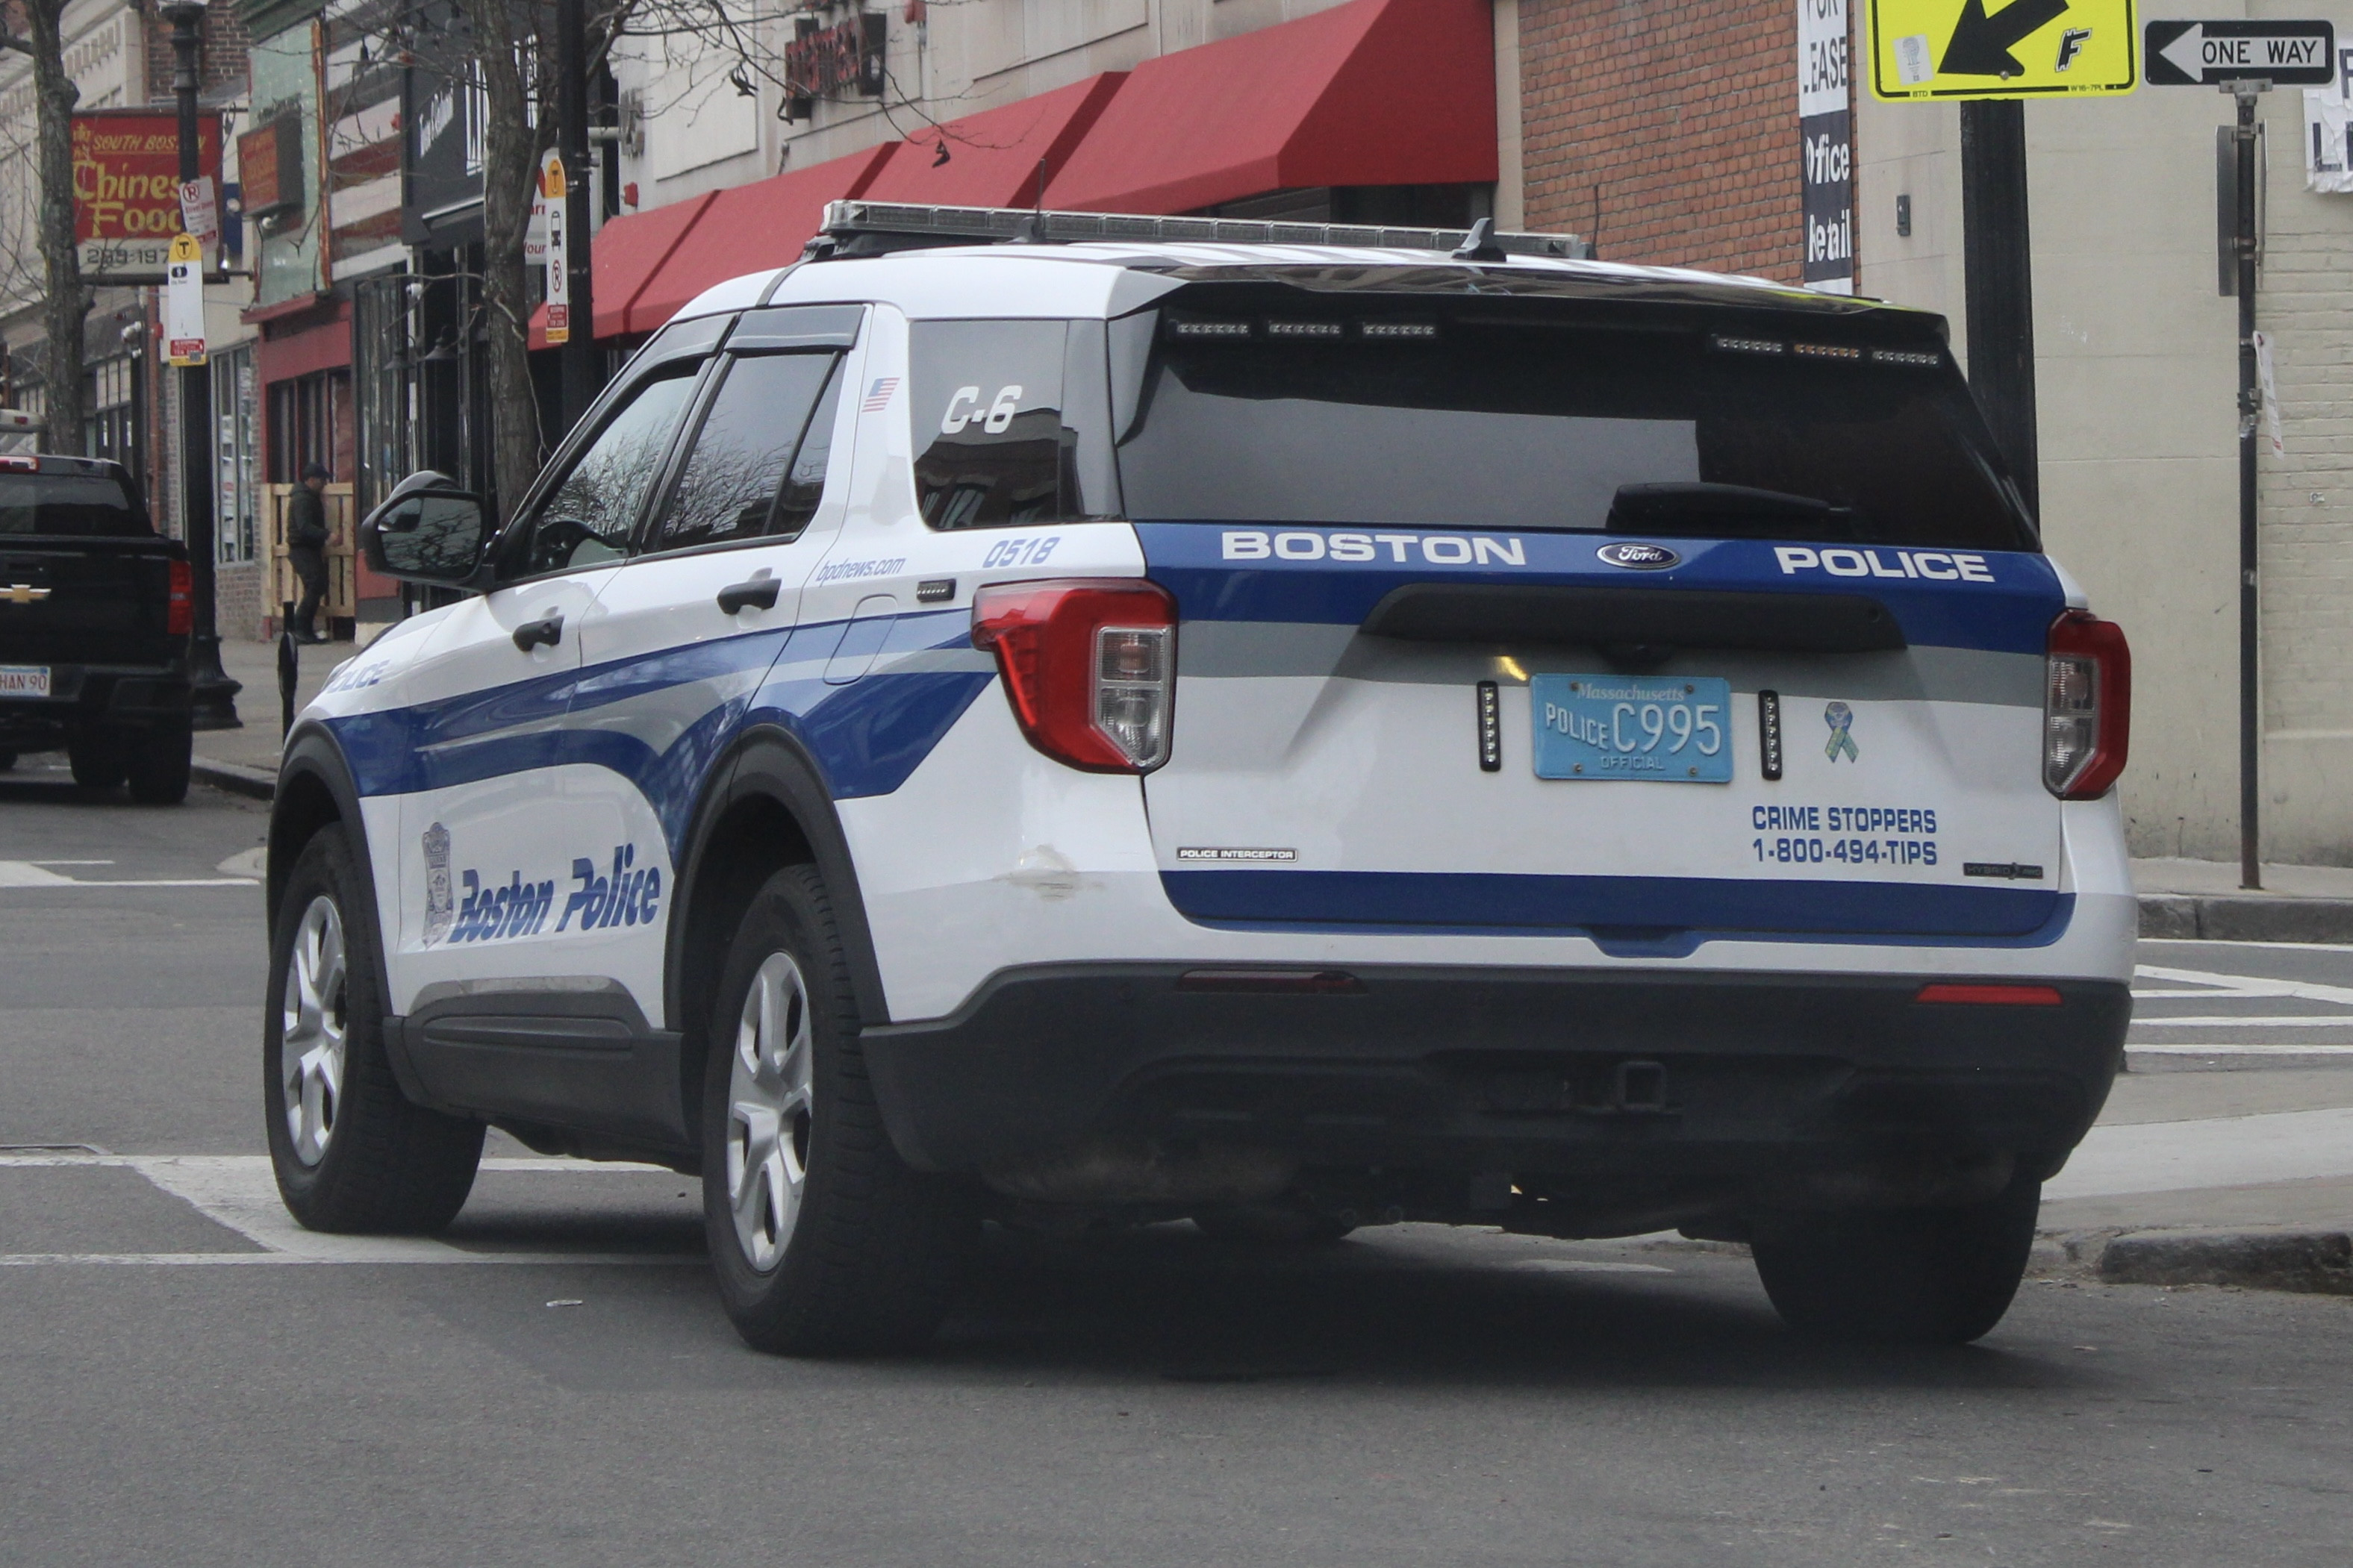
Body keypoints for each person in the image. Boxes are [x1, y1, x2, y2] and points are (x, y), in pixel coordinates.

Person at [286, 463, 331, 643]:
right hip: (302, 549)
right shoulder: (303, 499)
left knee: (316, 586)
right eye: (322, 480)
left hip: (307, 548)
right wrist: (327, 534)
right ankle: (299, 629)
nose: (324, 484)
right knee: (316, 585)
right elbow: (304, 527)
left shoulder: (307, 497)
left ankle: (305, 631)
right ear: (311, 480)